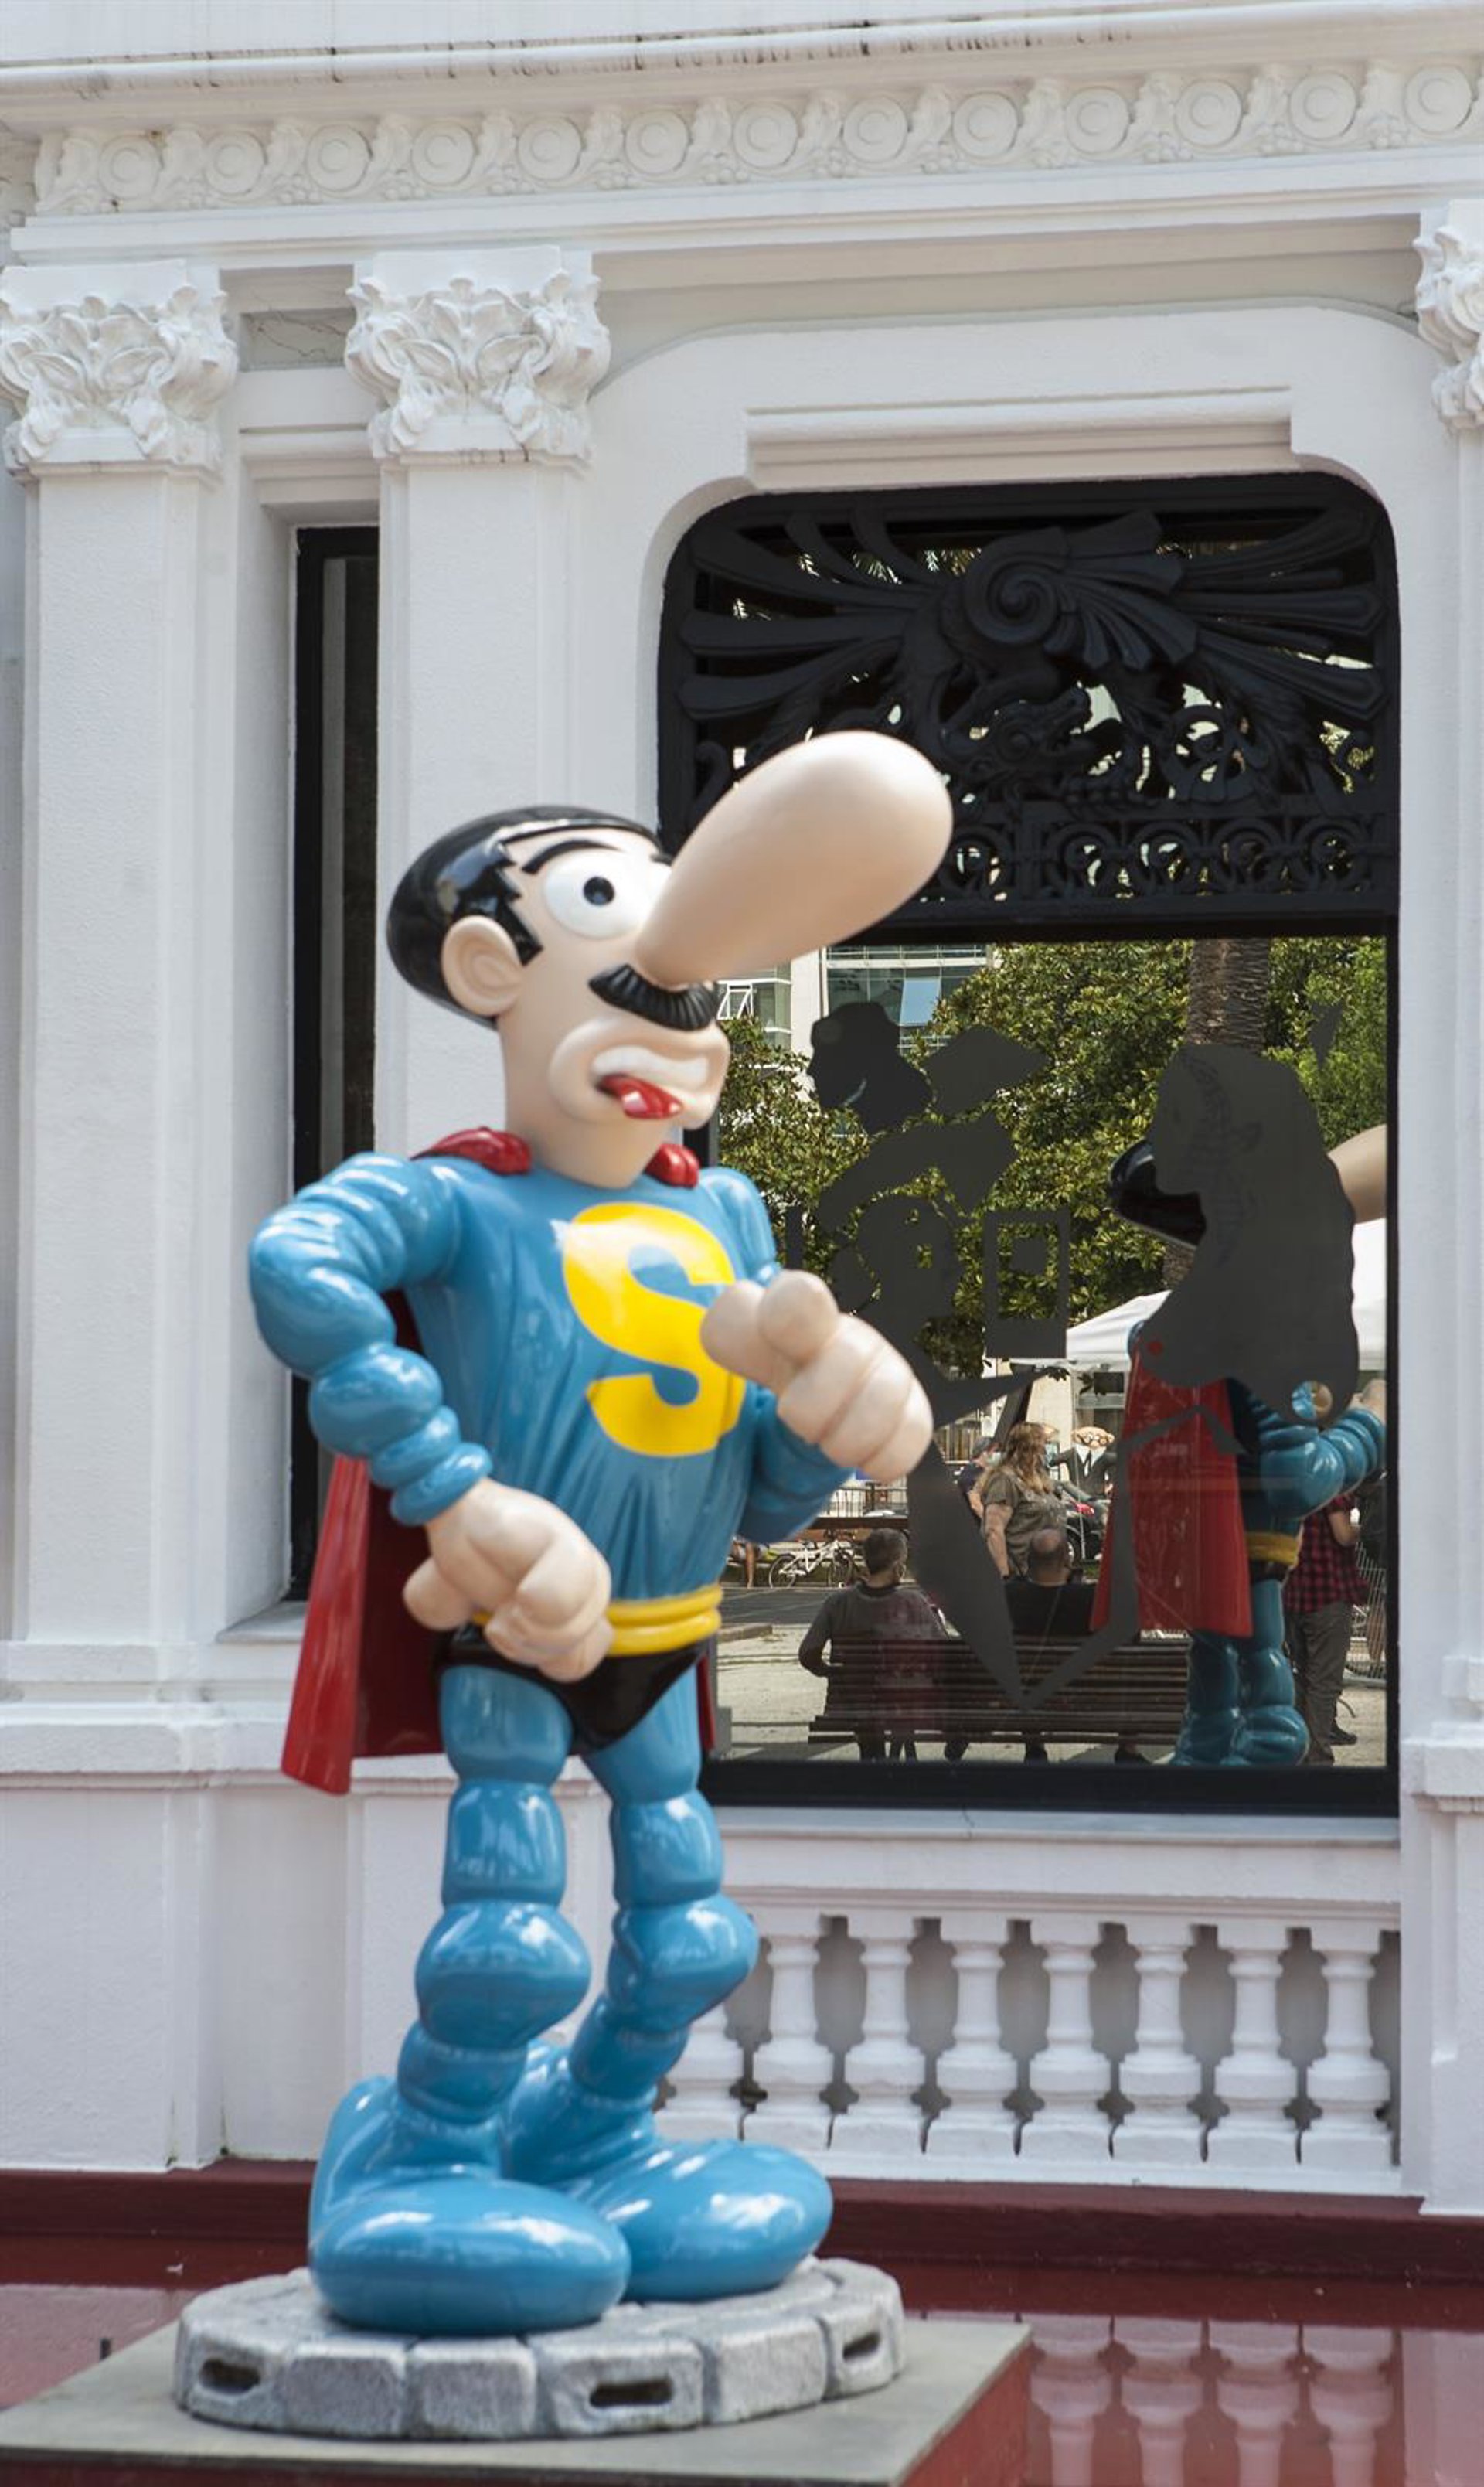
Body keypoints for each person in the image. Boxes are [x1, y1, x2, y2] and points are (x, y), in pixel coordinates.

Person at [247, 729, 948, 2338]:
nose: (677, 1008)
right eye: (614, 929)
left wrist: (827, 1423)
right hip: (516, 1631)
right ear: (493, 972)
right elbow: (300, 1264)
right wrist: (453, 1485)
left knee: (690, 1937)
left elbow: (751, 1487)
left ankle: (592, 2144)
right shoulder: (458, 1202)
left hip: (666, 1635)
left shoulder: (726, 1217)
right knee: (508, 1939)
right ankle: (428, 2161)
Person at [798, 1526, 945, 1760]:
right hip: (902, 1704)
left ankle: (871, 1762)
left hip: (854, 1703)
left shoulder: (837, 1603)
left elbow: (808, 1654)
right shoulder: (914, 1603)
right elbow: (943, 1652)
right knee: (903, 1693)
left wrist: (832, 1671)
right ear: (898, 1566)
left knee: (869, 1711)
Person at [1284, 1492, 1367, 1765]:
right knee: (1324, 1683)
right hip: (1327, 1595)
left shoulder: (1290, 1488)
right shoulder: (1331, 1489)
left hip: (1294, 1596)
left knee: (1303, 1677)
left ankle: (1299, 1751)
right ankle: (1318, 1757)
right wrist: (1361, 1527)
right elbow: (1343, 1535)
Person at [980, 1422, 1065, 1578]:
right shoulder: (1004, 1480)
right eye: (1043, 1444)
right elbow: (993, 1530)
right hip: (1021, 1574)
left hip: (1047, 1573)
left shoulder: (1038, 1480)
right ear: (1028, 1448)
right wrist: (1005, 1578)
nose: (1045, 1451)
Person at [954, 1438, 995, 1518]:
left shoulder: (985, 1471)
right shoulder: (971, 1473)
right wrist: (991, 1522)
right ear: (984, 1453)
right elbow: (976, 1505)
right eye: (994, 1451)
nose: (996, 1455)